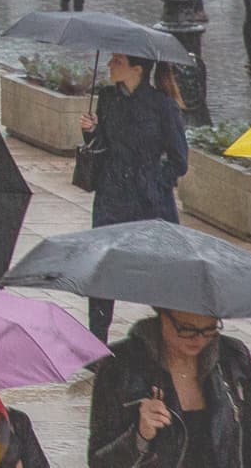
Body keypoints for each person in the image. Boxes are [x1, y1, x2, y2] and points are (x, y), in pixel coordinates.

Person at [81, 55, 189, 342]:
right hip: (111, 197)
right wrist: (90, 132)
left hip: (150, 203)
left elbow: (180, 161)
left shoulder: (162, 105)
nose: (109, 65)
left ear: (136, 69)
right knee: (103, 271)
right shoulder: (107, 98)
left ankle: (172, 335)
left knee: (162, 274)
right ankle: (96, 342)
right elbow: (102, 146)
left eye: (117, 61)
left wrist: (154, 181)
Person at [87, 306, 251, 468]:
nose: (199, 340)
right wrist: (140, 435)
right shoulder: (120, 363)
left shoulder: (233, 357)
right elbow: (99, 461)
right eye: (187, 329)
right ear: (162, 313)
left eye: (209, 329)